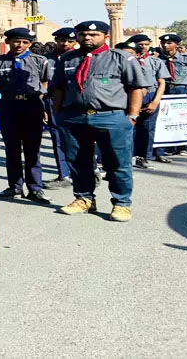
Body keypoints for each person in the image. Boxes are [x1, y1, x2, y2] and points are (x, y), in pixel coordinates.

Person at [50, 21, 148, 222]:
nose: (87, 38)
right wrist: (58, 114)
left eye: (93, 34)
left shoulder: (122, 58)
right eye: (83, 34)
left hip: (110, 116)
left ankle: (121, 203)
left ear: (106, 36)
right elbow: (58, 88)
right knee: (78, 161)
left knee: (117, 162)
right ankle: (84, 198)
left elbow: (136, 88)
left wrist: (132, 116)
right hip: (74, 117)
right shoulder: (67, 59)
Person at [0, 27, 54, 204]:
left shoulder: (39, 60)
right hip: (9, 105)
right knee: (12, 148)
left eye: (25, 42)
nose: (20, 45)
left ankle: (35, 188)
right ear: (8, 42)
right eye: (16, 41)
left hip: (32, 105)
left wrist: (41, 103)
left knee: (33, 149)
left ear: (30, 44)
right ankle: (14, 187)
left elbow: (45, 82)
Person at [41, 28, 79, 188]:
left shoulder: (80, 58)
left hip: (76, 102)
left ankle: (88, 171)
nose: (66, 44)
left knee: (81, 138)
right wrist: (42, 107)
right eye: (62, 40)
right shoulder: (46, 60)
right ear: (56, 41)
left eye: (70, 41)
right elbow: (42, 84)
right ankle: (64, 174)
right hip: (53, 102)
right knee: (58, 139)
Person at [156, 33, 187, 157]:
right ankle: (169, 145)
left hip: (183, 89)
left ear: (177, 45)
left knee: (183, 118)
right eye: (163, 43)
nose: (165, 45)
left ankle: (182, 146)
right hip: (167, 89)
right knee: (167, 117)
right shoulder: (160, 59)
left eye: (169, 43)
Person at [129, 34, 170, 166]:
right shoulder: (127, 60)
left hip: (150, 95)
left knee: (147, 128)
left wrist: (155, 102)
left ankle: (144, 156)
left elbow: (161, 82)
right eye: (140, 44)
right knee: (130, 127)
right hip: (131, 96)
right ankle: (129, 157)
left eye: (146, 44)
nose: (144, 47)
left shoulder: (155, 61)